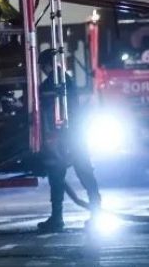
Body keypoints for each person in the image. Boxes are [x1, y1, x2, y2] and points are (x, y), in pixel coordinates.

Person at [36, 49, 102, 232]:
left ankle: (58, 219)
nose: (41, 70)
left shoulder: (53, 83)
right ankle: (95, 213)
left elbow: (44, 106)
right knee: (84, 175)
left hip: (64, 137)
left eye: (42, 66)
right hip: (74, 134)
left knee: (58, 178)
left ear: (48, 65)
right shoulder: (64, 79)